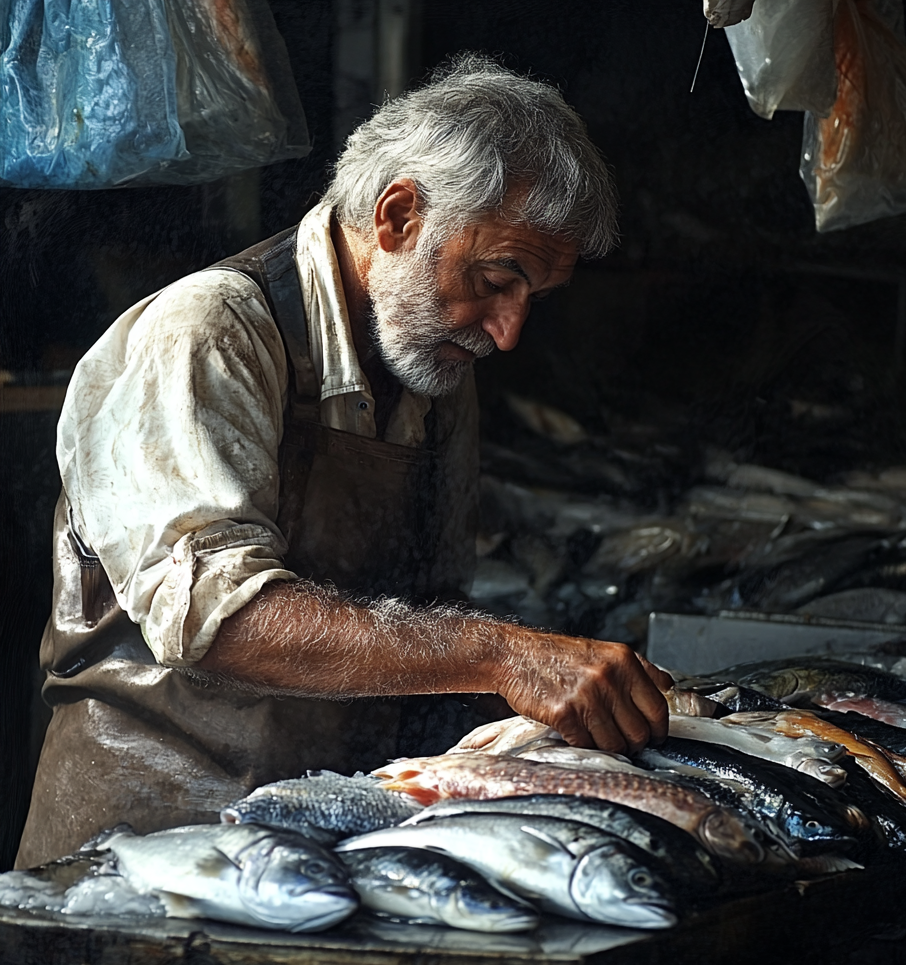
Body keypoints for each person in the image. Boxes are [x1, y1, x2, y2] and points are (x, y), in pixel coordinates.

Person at [16, 56, 672, 868]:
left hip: (336, 844)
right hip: (147, 859)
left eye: (531, 299)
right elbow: (217, 621)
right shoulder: (209, 334)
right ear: (397, 215)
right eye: (498, 279)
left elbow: (430, 605)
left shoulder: (433, 367)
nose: (507, 333)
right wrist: (506, 653)